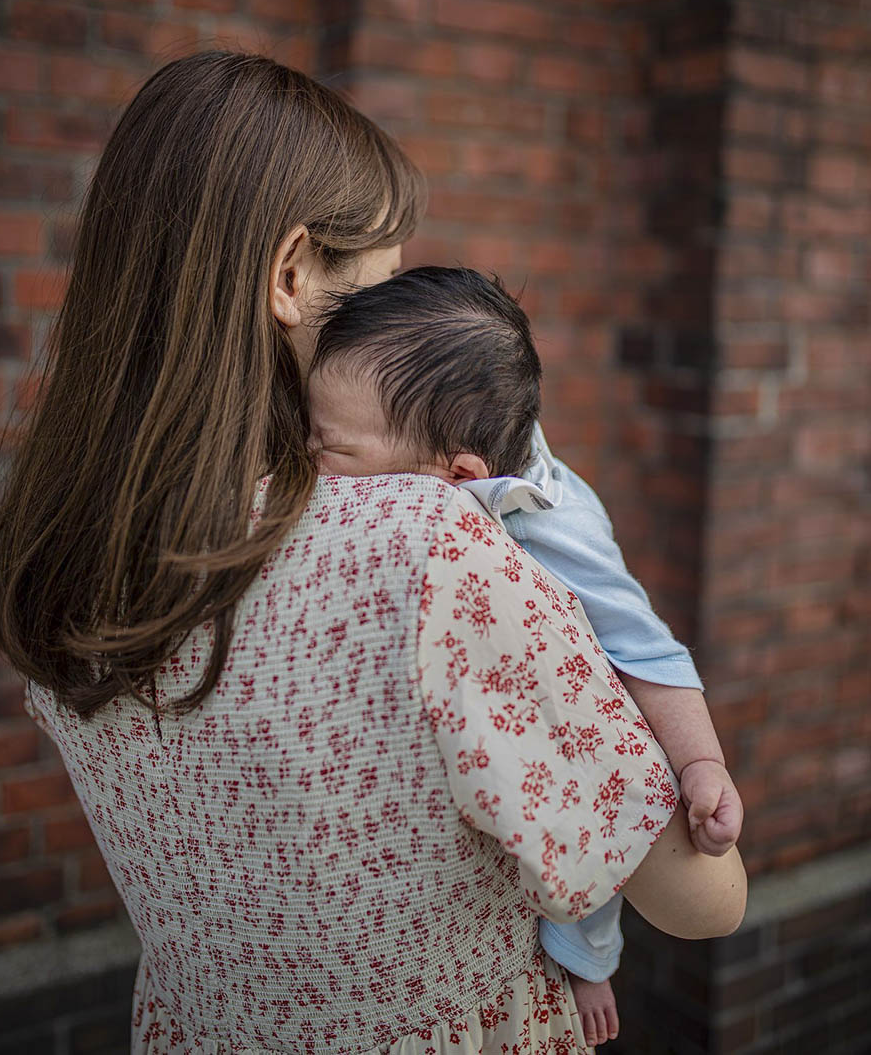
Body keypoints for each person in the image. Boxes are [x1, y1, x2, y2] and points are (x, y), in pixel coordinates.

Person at [0, 52, 745, 1055]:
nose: (392, 319)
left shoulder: (68, 562)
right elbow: (703, 899)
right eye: (375, 287)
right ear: (292, 275)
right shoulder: (426, 547)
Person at [307, 265, 745, 1047]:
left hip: (592, 719)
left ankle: (589, 962)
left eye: (329, 449)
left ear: (460, 477)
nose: (311, 466)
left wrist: (701, 764)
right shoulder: (424, 448)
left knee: (589, 853)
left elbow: (644, 648)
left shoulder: (559, 532)